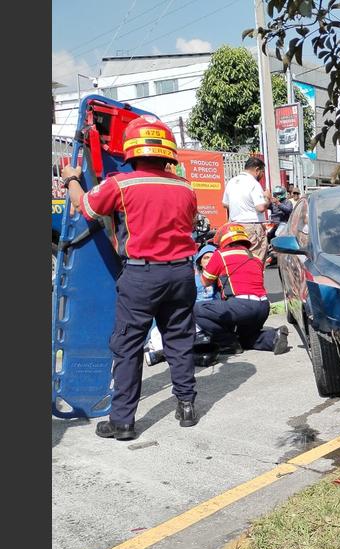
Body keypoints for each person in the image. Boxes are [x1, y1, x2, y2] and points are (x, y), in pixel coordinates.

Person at [60, 115, 200, 440]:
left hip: (142, 276)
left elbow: (86, 207)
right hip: (181, 272)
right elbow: (189, 224)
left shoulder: (122, 184)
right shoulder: (185, 187)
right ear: (167, 152)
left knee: (128, 345)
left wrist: (72, 178)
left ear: (132, 151)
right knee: (178, 340)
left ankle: (122, 422)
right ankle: (187, 406)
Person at [194, 223, 290, 355]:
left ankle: (227, 343)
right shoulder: (255, 257)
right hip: (263, 307)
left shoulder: (221, 255)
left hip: (241, 305)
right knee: (245, 339)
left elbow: (205, 281)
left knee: (197, 309)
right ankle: (274, 337)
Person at [145, 243, 221, 367]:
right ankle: (163, 351)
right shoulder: (191, 278)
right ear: (200, 262)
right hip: (191, 313)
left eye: (213, 258)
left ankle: (164, 353)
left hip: (208, 317)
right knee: (160, 330)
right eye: (206, 258)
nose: (210, 261)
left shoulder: (219, 280)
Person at [223, 156, 271, 263]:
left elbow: (225, 204)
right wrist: (267, 198)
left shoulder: (232, 182)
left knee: (240, 258)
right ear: (257, 170)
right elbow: (261, 207)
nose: (262, 175)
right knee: (255, 260)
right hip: (251, 226)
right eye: (262, 172)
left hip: (235, 226)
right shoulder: (253, 183)